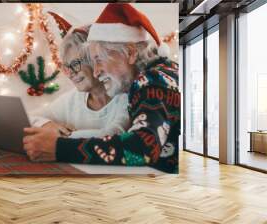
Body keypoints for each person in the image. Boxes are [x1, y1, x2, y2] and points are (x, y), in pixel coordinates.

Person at [23, 3, 180, 173]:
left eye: (98, 59)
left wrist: (59, 147)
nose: (96, 71)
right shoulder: (157, 75)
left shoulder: (152, 81)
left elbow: (143, 148)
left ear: (131, 52)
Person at [31, 15, 130, 139]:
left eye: (75, 64)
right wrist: (47, 124)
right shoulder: (72, 100)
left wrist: (61, 138)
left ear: (94, 59)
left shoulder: (124, 96)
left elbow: (113, 135)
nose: (71, 73)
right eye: (66, 67)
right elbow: (29, 117)